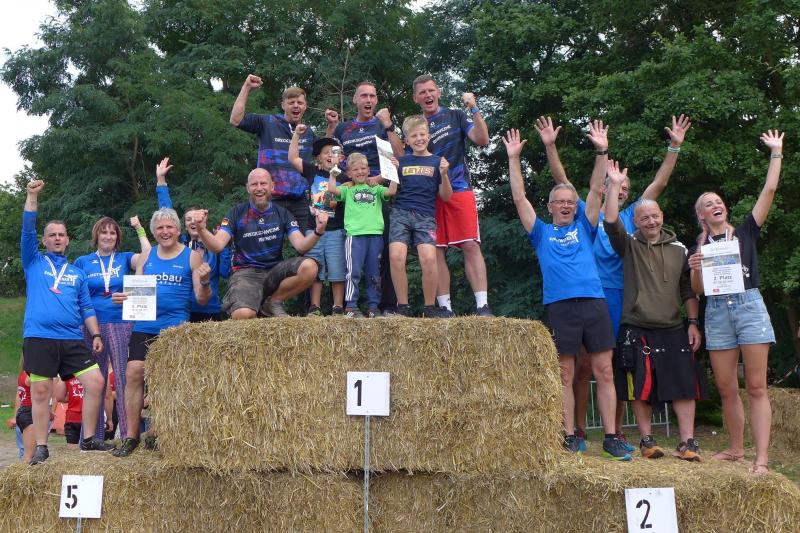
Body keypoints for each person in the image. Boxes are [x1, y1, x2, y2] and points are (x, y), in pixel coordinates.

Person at [536, 114, 692, 452]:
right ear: (604, 188)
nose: (619, 192)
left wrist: (674, 147)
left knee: (616, 364)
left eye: (624, 189)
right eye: (613, 186)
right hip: (590, 295)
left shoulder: (631, 217)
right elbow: (562, 181)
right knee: (581, 367)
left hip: (624, 297)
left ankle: (616, 431)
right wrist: (550, 146)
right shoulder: (586, 214)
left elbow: (658, 185)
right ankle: (577, 429)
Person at [502, 128, 631, 460]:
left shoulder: (586, 226)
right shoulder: (540, 232)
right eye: (559, 201)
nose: (565, 205)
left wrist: (602, 151)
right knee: (565, 373)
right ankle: (570, 435)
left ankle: (612, 437)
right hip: (561, 307)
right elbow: (519, 198)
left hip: (594, 303)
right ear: (550, 206)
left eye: (570, 202)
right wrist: (513, 159)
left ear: (575, 206)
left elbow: (596, 189)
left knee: (604, 370)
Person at [688, 130, 784, 474]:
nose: (716, 205)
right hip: (716, 312)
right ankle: (735, 449)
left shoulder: (745, 232)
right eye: (708, 203)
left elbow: (768, 191)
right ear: (701, 215)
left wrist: (776, 152)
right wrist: (695, 268)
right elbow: (697, 291)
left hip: (749, 306)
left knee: (756, 386)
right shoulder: (699, 248)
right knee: (727, 387)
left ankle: (762, 459)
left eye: (719, 201)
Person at [605, 160, 705, 461]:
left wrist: (692, 322)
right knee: (641, 388)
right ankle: (647, 440)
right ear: (635, 222)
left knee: (684, 385)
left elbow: (688, 290)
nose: (651, 221)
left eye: (655, 216)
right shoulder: (628, 244)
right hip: (637, 325)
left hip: (674, 326)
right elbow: (610, 221)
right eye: (644, 218)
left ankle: (688, 443)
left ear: (662, 217)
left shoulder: (680, 249)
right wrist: (614, 185)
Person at [20, 179, 112, 464]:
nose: (57, 238)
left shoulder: (76, 273)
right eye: (52, 235)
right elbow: (27, 228)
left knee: (96, 382)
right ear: (44, 240)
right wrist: (32, 196)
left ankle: (88, 439)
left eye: (62, 234)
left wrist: (95, 334)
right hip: (39, 336)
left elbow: (86, 307)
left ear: (68, 240)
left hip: (72, 337)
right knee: (41, 390)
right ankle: (42, 446)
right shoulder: (33, 262)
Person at [111, 208, 212, 457]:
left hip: (174, 328)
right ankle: (131, 436)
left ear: (178, 230)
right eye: (160, 228)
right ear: (154, 232)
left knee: (166, 378)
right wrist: (123, 299)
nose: (165, 232)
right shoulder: (146, 256)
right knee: (133, 372)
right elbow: (136, 293)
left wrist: (205, 282)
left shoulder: (192, 257)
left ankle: (158, 432)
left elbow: (201, 299)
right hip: (145, 325)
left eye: (169, 227)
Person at [190, 169, 328, 319]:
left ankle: (273, 302)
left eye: (263, 183)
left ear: (272, 186)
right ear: (248, 188)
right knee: (243, 315)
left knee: (310, 267)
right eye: (254, 184)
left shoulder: (282, 213)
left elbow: (301, 245)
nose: (259, 188)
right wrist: (201, 229)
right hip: (245, 273)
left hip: (275, 271)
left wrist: (318, 231)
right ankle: (254, 310)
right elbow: (217, 246)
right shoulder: (236, 213)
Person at [411, 74, 492, 316]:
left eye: (431, 90)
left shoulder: (456, 115)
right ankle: (445, 309)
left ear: (439, 92)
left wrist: (474, 108)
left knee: (470, 244)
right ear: (415, 98)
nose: (428, 95)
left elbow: (482, 139)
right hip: (429, 195)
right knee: (436, 250)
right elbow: (405, 159)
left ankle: (483, 305)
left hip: (459, 187)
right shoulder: (415, 127)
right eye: (422, 92)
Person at [330, 81, 406, 315]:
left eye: (372, 96)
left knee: (381, 257)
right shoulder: (344, 128)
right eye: (363, 95)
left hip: (376, 193)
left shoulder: (382, 125)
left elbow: (399, 155)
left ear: (376, 100)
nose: (368, 100)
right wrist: (331, 128)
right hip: (348, 194)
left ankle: (384, 306)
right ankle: (345, 306)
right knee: (345, 256)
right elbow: (331, 154)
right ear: (355, 99)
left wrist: (379, 179)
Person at [74, 215, 150, 443]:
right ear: (96, 235)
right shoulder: (83, 262)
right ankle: (92, 438)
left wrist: (139, 228)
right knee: (94, 381)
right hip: (91, 325)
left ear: (117, 237)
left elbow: (148, 256)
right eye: (104, 232)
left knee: (124, 379)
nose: (108, 236)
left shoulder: (124, 258)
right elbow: (76, 294)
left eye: (112, 232)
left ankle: (128, 436)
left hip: (121, 323)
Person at [230, 74, 337, 232]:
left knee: (308, 241)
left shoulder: (307, 133)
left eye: (300, 102)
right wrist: (246, 87)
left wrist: (332, 125)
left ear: (305, 106)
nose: (296, 106)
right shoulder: (268, 122)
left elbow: (325, 154)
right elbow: (235, 120)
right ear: (283, 105)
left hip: (300, 200)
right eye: (291, 102)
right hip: (271, 198)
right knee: (268, 242)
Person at [388, 115, 454, 318]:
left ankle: (429, 307)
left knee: (429, 259)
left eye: (422, 134)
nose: (419, 139)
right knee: (396, 256)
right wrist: (392, 171)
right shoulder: (400, 161)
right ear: (406, 141)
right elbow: (391, 191)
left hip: (426, 216)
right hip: (400, 213)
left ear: (429, 136)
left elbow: (446, 196)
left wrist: (444, 175)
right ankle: (403, 306)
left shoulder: (438, 162)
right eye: (414, 136)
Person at [154, 157, 232, 321]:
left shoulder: (215, 246)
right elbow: (167, 214)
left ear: (204, 222)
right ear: (183, 224)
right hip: (183, 310)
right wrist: (161, 181)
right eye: (188, 219)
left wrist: (224, 246)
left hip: (209, 309)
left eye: (196, 219)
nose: (192, 222)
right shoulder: (179, 244)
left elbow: (225, 273)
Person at [327, 152, 397, 317]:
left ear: (369, 170)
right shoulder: (347, 188)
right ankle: (351, 307)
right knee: (353, 272)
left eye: (363, 168)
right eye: (355, 169)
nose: (360, 172)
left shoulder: (375, 188)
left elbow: (391, 191)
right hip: (355, 236)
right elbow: (331, 190)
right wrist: (333, 172)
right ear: (349, 173)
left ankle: (373, 307)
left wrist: (393, 171)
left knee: (374, 274)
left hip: (375, 236)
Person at [288, 126, 349, 315]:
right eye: (325, 152)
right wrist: (296, 135)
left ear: (341, 157)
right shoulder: (313, 171)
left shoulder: (347, 178)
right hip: (313, 230)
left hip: (336, 230)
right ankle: (315, 307)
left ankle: (338, 307)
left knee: (338, 269)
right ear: (319, 158)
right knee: (315, 269)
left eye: (334, 152)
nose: (330, 155)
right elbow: (293, 158)